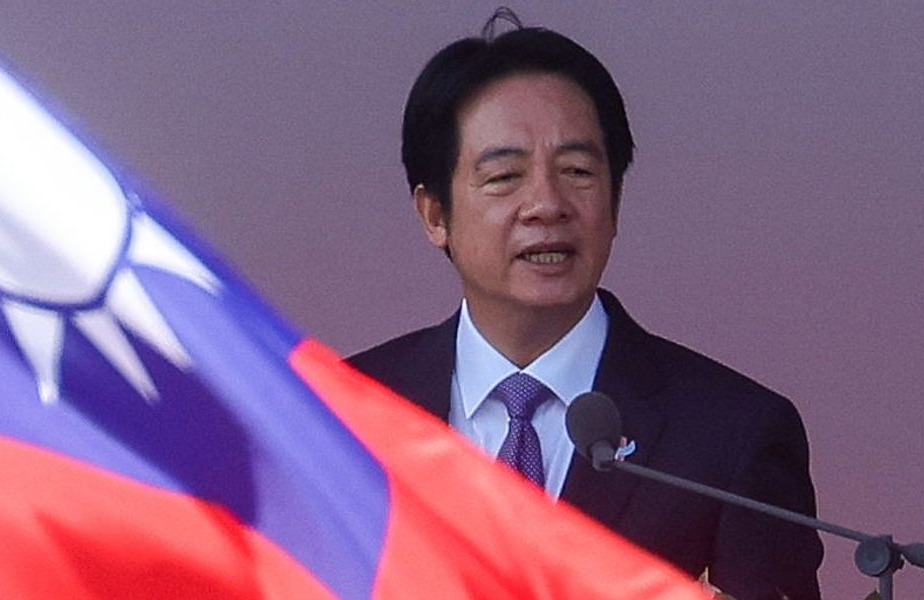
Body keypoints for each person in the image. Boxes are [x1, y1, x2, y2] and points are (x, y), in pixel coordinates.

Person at [348, 10, 824, 599]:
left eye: (577, 171)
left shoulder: (732, 437)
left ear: (616, 201)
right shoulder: (347, 413)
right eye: (504, 177)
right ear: (435, 214)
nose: (547, 204)